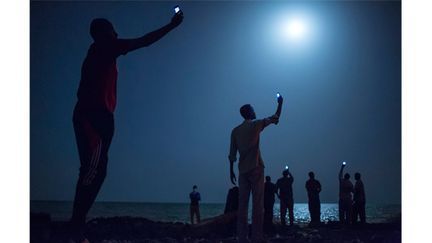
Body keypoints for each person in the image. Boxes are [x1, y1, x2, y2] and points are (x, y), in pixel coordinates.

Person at [69, 12, 183, 243]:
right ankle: (74, 229)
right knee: (92, 171)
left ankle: (76, 225)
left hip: (99, 116)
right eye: (113, 29)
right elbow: (144, 41)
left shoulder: (100, 51)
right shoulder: (103, 47)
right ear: (103, 33)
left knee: (97, 171)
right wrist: (171, 26)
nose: (117, 33)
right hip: (93, 116)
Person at [228, 95, 283, 243]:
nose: (254, 111)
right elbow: (276, 117)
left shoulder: (235, 131)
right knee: (258, 205)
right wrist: (280, 103)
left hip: (242, 171)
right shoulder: (256, 124)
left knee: (242, 206)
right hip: (256, 168)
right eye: (253, 110)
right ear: (250, 113)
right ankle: (257, 237)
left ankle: (242, 237)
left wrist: (231, 171)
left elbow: (232, 154)